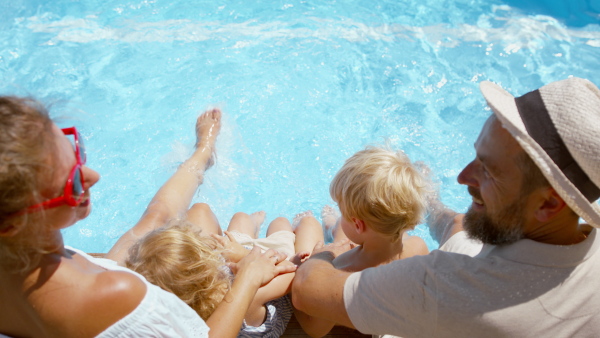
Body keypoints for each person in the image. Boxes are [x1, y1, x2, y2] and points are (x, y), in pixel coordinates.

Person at [292, 77, 600, 337]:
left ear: (548, 202)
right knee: (457, 225)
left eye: (488, 169)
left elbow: (308, 290)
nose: (463, 176)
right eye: (476, 155)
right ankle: (430, 205)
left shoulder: (451, 291)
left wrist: (334, 249)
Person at [0, 98, 293, 338]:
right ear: (11, 225)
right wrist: (248, 280)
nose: (92, 176)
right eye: (72, 182)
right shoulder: (120, 296)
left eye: (76, 152)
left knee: (155, 218)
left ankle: (203, 154)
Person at [293, 146, 431, 337]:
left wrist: (320, 258)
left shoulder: (344, 268)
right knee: (363, 230)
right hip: (382, 239)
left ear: (358, 224)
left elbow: (314, 329)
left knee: (338, 240)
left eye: (342, 211)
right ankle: (332, 224)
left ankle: (331, 226)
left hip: (342, 256)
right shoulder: (417, 246)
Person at [125, 206, 314, 338]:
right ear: (211, 265)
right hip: (270, 267)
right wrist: (242, 255)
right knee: (284, 224)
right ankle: (299, 224)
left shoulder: (178, 309)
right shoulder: (245, 296)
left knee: (240, 218)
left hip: (244, 262)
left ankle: (254, 227)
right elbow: (294, 273)